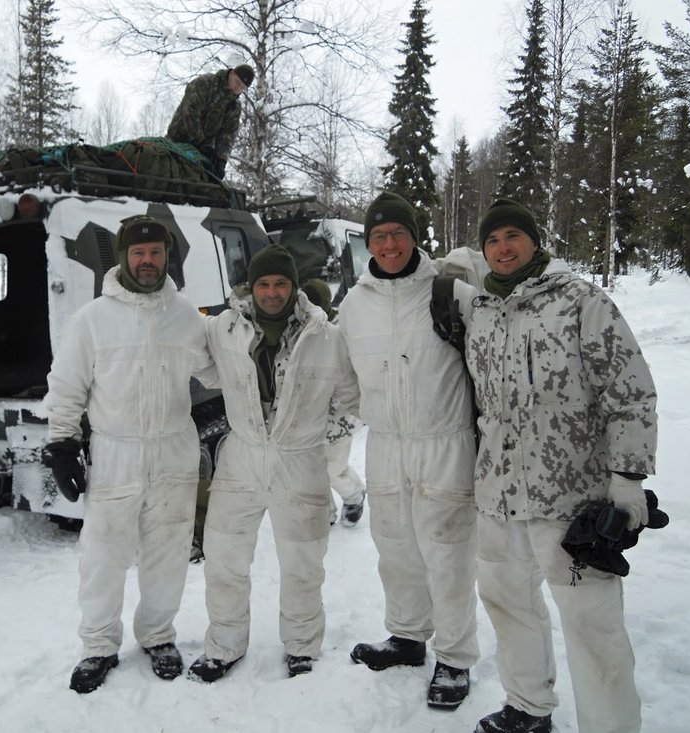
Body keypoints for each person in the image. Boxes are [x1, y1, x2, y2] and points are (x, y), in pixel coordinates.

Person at [467, 199, 658, 733]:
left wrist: (627, 482)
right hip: (498, 495)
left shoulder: (580, 300)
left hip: (571, 498)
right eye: (492, 240)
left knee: (593, 627)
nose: (503, 248)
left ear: (534, 240)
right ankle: (528, 707)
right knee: (508, 606)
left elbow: (630, 391)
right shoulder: (480, 310)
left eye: (513, 236)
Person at [43, 214, 213, 694]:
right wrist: (61, 443)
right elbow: (67, 385)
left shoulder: (186, 316)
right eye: (138, 253)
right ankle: (98, 645)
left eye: (156, 252)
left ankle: (158, 635)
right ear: (123, 257)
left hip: (173, 450)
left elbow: (218, 369)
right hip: (115, 450)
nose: (147, 260)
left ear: (166, 257)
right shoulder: (92, 319)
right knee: (103, 554)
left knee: (169, 550)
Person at [187, 245, 359, 682]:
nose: (272, 291)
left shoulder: (326, 336)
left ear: (293, 286)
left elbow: (353, 394)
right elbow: (192, 358)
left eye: (281, 283)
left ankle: (302, 645)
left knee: (303, 563)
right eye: (263, 283)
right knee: (224, 558)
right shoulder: (223, 330)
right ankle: (224, 645)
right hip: (241, 458)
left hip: (299, 460)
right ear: (251, 287)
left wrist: (328, 432)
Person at [337, 192, 479, 710]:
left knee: (448, 552)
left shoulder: (452, 293)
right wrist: (371, 412)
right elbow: (344, 376)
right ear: (368, 243)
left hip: (445, 441)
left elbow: (486, 365)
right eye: (379, 236)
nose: (389, 243)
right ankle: (407, 637)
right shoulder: (354, 304)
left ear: (415, 237)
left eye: (397, 233)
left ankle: (456, 657)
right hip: (387, 443)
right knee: (395, 548)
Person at [301, 277, 366, 527]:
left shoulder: (341, 332)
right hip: (309, 419)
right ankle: (324, 510)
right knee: (312, 471)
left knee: (332, 469)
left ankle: (354, 495)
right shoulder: (299, 329)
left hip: (340, 418)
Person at [166, 63, 255, 179]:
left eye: (242, 88)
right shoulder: (205, 83)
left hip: (202, 154)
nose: (238, 88)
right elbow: (190, 112)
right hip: (177, 141)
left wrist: (221, 160)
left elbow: (227, 135)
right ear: (232, 73)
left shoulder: (234, 107)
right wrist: (201, 143)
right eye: (237, 82)